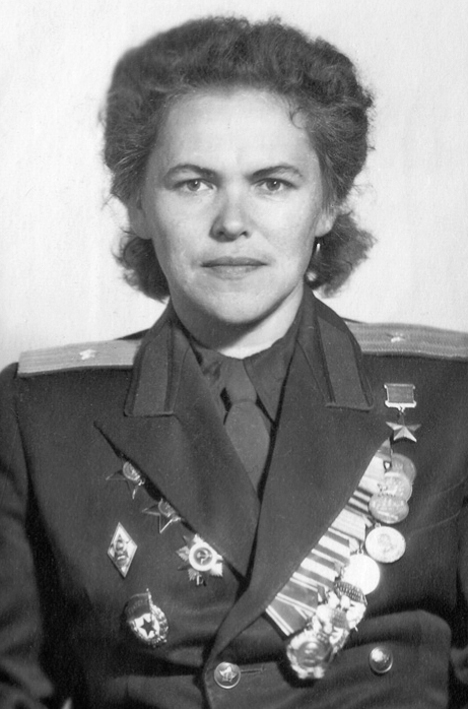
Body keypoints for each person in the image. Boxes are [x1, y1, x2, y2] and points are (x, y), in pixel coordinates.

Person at [0, 15, 467, 709]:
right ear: (136, 205)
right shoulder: (39, 414)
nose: (232, 222)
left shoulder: (451, 398)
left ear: (329, 203)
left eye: (273, 183)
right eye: (193, 183)